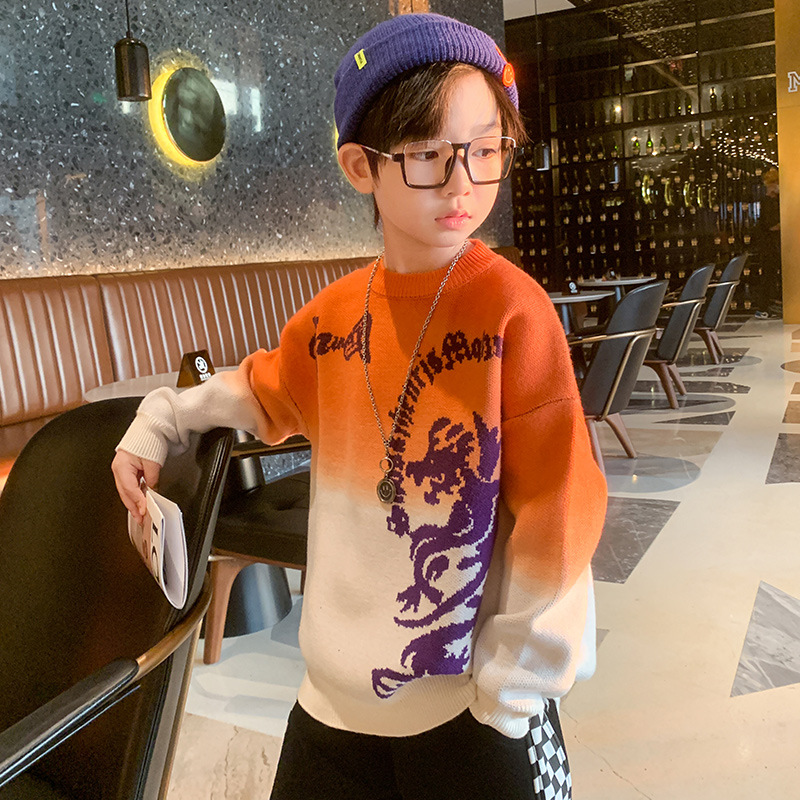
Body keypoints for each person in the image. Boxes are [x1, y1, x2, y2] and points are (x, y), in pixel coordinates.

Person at [112, 13, 607, 800]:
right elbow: (260, 388)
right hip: (331, 702)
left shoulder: (515, 311)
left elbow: (564, 506)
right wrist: (160, 420)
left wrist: (512, 691)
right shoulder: (335, 315)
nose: (463, 182)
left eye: (485, 150)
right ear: (360, 166)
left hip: (470, 710)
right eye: (428, 155)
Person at [754, 168, 781, 319]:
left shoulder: (774, 200)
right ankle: (763, 307)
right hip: (768, 245)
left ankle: (769, 304)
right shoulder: (768, 201)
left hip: (771, 244)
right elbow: (771, 225)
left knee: (771, 274)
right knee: (768, 274)